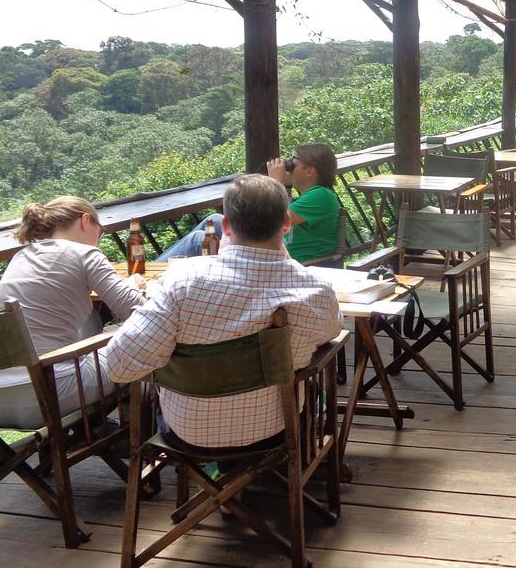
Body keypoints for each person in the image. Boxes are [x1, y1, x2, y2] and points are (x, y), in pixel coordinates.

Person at [105, 173, 343, 449]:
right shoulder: (314, 290)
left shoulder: (182, 281)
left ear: (226, 226)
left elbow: (118, 366)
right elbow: (332, 330)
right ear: (287, 223)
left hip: (186, 432)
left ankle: (210, 478)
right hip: (272, 428)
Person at [0, 197, 146, 429]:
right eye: (100, 231)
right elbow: (137, 313)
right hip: (42, 398)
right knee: (146, 346)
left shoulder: (21, 256)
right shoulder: (86, 254)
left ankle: (101, 431)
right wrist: (132, 287)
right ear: (86, 221)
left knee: (89, 338)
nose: (98, 239)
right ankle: (139, 438)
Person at [155, 143, 341, 264]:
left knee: (199, 239)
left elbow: (271, 222)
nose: (288, 166)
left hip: (285, 260)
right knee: (214, 220)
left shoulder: (321, 196)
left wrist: (276, 183)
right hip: (275, 252)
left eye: (293, 163)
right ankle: (151, 270)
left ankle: (149, 274)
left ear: (309, 171)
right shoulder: (310, 197)